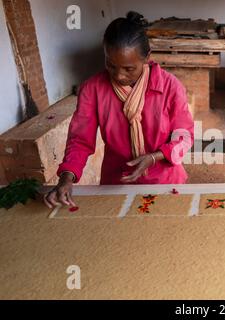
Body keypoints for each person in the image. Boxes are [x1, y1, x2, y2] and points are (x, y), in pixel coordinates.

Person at [44, 12, 194, 209]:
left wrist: (153, 157)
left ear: (147, 58)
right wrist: (67, 177)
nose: (119, 75)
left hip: (165, 181)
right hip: (117, 182)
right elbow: (80, 140)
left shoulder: (169, 87)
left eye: (129, 69)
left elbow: (184, 137)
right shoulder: (93, 89)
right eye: (111, 65)